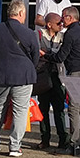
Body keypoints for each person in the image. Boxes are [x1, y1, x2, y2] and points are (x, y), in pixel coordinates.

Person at [0, 0, 38, 157]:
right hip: (23, 75)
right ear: (21, 13)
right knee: (20, 110)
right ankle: (15, 147)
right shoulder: (29, 33)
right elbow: (35, 56)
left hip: (0, 74)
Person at [45, 6, 80, 154]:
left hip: (77, 72)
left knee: (73, 108)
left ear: (70, 18)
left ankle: (74, 144)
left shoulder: (71, 34)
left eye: (63, 17)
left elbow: (60, 57)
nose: (61, 20)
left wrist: (45, 55)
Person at [32, 11, 67, 150]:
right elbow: (34, 54)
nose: (61, 25)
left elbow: (63, 55)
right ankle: (44, 139)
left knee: (59, 110)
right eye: (58, 23)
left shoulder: (63, 36)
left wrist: (46, 54)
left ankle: (63, 140)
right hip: (43, 77)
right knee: (43, 109)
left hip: (58, 77)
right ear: (49, 24)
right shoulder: (38, 35)